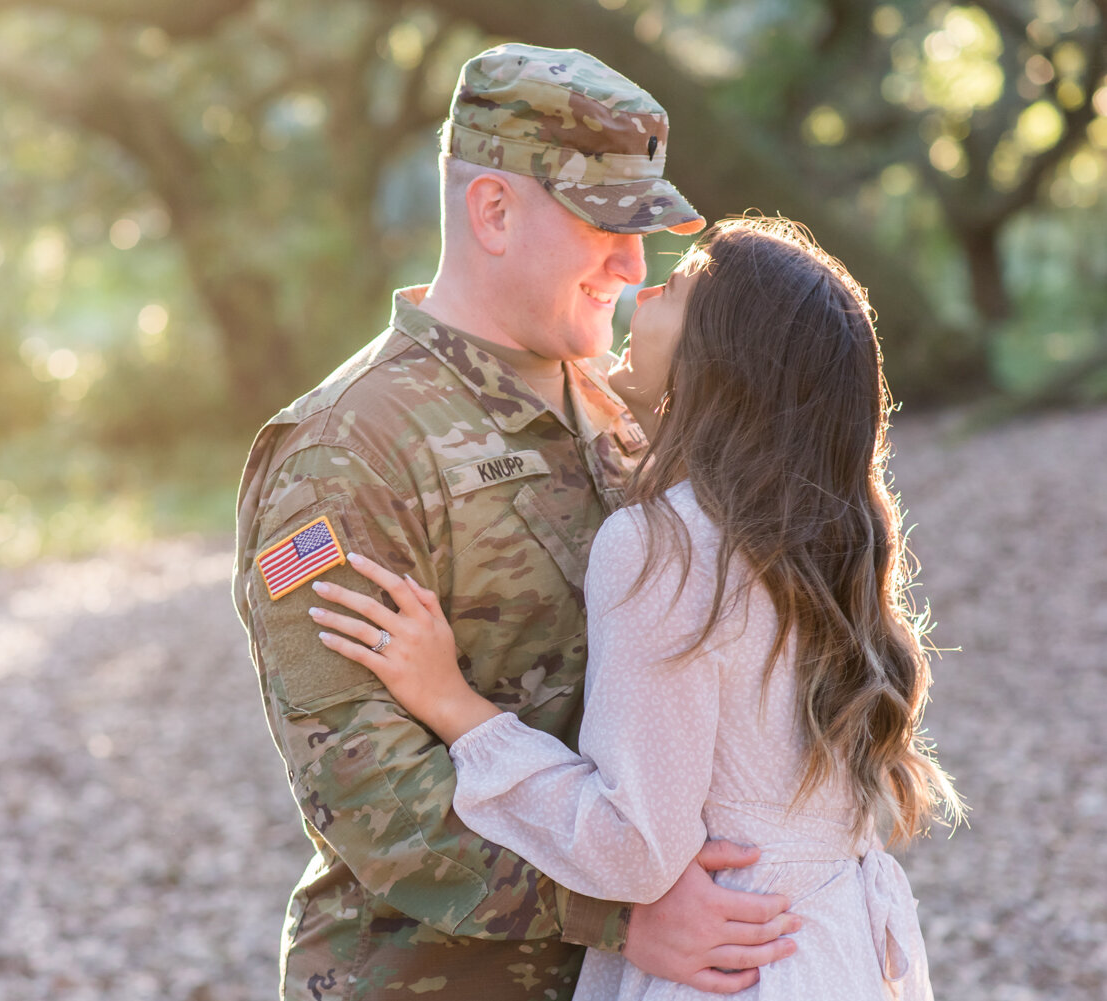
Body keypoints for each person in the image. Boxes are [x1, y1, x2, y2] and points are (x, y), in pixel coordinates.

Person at [232, 44, 799, 1001]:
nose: (632, 263)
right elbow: (366, 794)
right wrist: (619, 914)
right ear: (493, 211)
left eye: (644, 229)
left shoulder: (625, 404)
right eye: (604, 226)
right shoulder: (345, 452)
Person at [311, 216, 965, 999]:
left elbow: (635, 847)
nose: (641, 287)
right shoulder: (826, 537)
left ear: (718, 358)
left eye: (676, 286)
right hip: (837, 954)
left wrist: (456, 707)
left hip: (730, 964)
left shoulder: (665, 546)